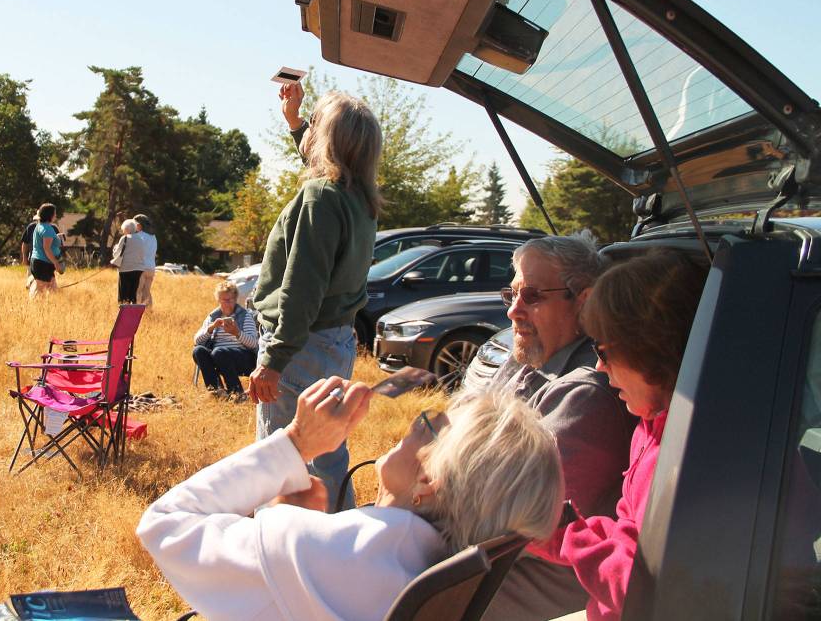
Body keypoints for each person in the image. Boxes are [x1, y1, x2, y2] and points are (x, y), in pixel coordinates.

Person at [137, 377, 564, 621]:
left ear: (429, 481)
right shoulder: (429, 570)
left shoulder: (337, 557)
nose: (412, 424)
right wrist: (289, 528)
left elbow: (164, 524)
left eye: (428, 423)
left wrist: (295, 443)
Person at [461, 232, 635, 620]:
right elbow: (455, 436)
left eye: (533, 296)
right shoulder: (528, 358)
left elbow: (512, 521)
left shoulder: (588, 394)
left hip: (537, 574)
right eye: (512, 294)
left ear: (585, 301)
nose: (513, 311)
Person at [528, 249, 707, 621]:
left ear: (651, 352)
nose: (597, 365)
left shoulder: (692, 458)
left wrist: (566, 537)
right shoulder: (651, 428)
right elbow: (627, 532)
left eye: (604, 350)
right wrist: (555, 528)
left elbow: (645, 593)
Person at [248, 82, 383, 512]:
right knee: (325, 452)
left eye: (315, 125)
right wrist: (294, 121)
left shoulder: (320, 198)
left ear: (327, 141)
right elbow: (323, 162)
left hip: (300, 347)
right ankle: (340, 538)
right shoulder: (358, 198)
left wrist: (274, 360)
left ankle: (284, 548)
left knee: (283, 458)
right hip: (334, 342)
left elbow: (302, 289)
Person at [192, 280, 258, 400]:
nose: (228, 303)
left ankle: (237, 393)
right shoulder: (213, 316)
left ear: (236, 299)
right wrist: (211, 328)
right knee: (199, 350)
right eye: (224, 300)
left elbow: (254, 344)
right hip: (218, 355)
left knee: (219, 352)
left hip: (244, 358)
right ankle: (217, 392)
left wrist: (237, 333)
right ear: (218, 300)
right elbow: (197, 340)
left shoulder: (245, 316)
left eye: (231, 299)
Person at [29, 203, 64, 298]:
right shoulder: (47, 228)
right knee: (40, 293)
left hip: (40, 262)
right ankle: (35, 311)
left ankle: (51, 310)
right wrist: (56, 262)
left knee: (53, 291)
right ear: (50, 215)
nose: (55, 215)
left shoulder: (39, 226)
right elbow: (46, 248)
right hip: (43, 264)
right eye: (54, 213)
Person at [111, 219, 144, 304]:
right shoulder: (141, 239)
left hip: (126, 269)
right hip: (138, 269)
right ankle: (133, 311)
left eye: (123, 229)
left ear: (127, 229)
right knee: (133, 293)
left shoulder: (125, 238)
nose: (123, 231)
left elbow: (116, 254)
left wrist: (115, 248)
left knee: (124, 293)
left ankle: (124, 310)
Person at [133, 213, 157, 308]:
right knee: (147, 292)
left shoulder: (139, 236)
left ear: (139, 225)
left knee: (137, 292)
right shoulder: (153, 236)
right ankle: (149, 313)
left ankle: (136, 314)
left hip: (141, 267)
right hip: (151, 268)